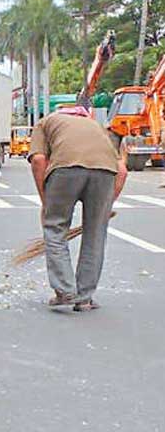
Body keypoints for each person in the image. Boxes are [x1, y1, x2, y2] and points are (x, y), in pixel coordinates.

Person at [28, 105, 127, 312]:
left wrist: (46, 201)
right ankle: (84, 298)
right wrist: (107, 205)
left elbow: (38, 160)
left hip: (66, 170)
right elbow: (122, 170)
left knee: (55, 228)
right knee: (96, 233)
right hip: (105, 172)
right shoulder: (96, 126)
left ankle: (65, 291)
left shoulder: (46, 122)